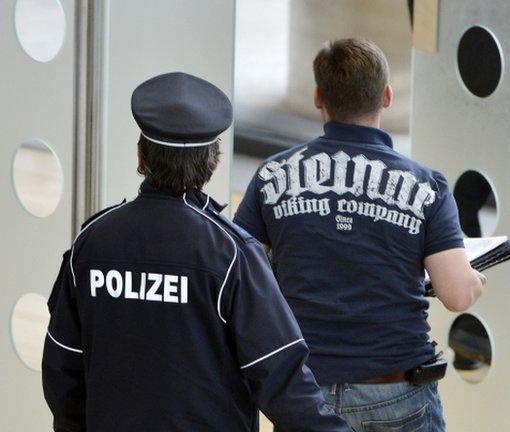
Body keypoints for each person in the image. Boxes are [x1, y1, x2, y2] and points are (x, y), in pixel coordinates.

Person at [42, 72, 351, 432]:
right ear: (212, 165)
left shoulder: (92, 243)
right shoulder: (232, 254)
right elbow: (283, 379)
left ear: (142, 158)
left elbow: (63, 367)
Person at [234, 38, 485, 431]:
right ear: (386, 96)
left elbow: (241, 276)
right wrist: (473, 278)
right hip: (396, 390)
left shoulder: (272, 175)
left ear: (319, 98)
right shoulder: (425, 186)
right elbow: (456, 294)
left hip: (305, 390)